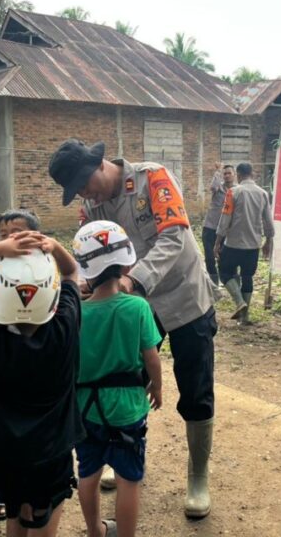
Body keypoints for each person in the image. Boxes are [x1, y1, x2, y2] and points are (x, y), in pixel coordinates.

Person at [47, 140, 217, 519]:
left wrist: (132, 281)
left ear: (99, 163)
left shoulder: (152, 178)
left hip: (185, 298)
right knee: (122, 378)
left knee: (196, 387)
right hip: (134, 305)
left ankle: (198, 477)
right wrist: (87, 286)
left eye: (84, 182)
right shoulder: (91, 206)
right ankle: (118, 451)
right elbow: (88, 254)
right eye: (76, 190)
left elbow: (174, 237)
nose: (85, 193)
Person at [0, 230, 82, 537]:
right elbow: (73, 271)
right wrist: (55, 247)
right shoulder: (64, 328)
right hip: (53, 451)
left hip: (5, 452)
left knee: (15, 514)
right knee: (45, 517)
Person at [71, 221, 163, 537]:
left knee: (88, 473)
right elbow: (152, 358)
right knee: (128, 479)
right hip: (127, 409)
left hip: (85, 410)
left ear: (86, 271)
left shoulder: (78, 313)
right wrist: (158, 387)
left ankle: (95, 531)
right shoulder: (137, 307)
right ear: (126, 262)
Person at [214, 162, 275, 325]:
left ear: (239, 175)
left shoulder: (233, 192)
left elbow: (225, 218)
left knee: (225, 273)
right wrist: (268, 240)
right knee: (247, 277)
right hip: (253, 245)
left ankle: (239, 302)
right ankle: (245, 317)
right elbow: (268, 220)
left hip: (233, 243)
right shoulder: (262, 193)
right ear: (252, 174)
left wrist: (218, 241)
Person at [202, 164, 235, 289]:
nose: (227, 175)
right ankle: (213, 286)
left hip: (225, 231)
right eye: (224, 173)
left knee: (223, 258)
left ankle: (226, 281)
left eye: (229, 173)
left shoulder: (237, 191)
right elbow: (212, 187)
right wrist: (217, 171)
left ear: (234, 175)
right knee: (209, 257)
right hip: (210, 227)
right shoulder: (218, 188)